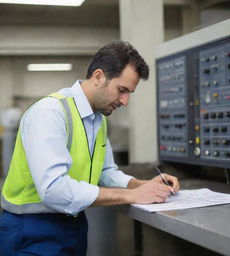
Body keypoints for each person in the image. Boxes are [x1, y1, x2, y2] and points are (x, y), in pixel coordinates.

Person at [0, 41, 180, 256]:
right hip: (31, 230)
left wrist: (140, 185)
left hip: (73, 224)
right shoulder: (50, 112)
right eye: (122, 90)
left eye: (129, 93)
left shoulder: (98, 118)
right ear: (98, 77)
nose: (125, 101)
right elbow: (54, 189)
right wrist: (132, 196)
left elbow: (105, 172)